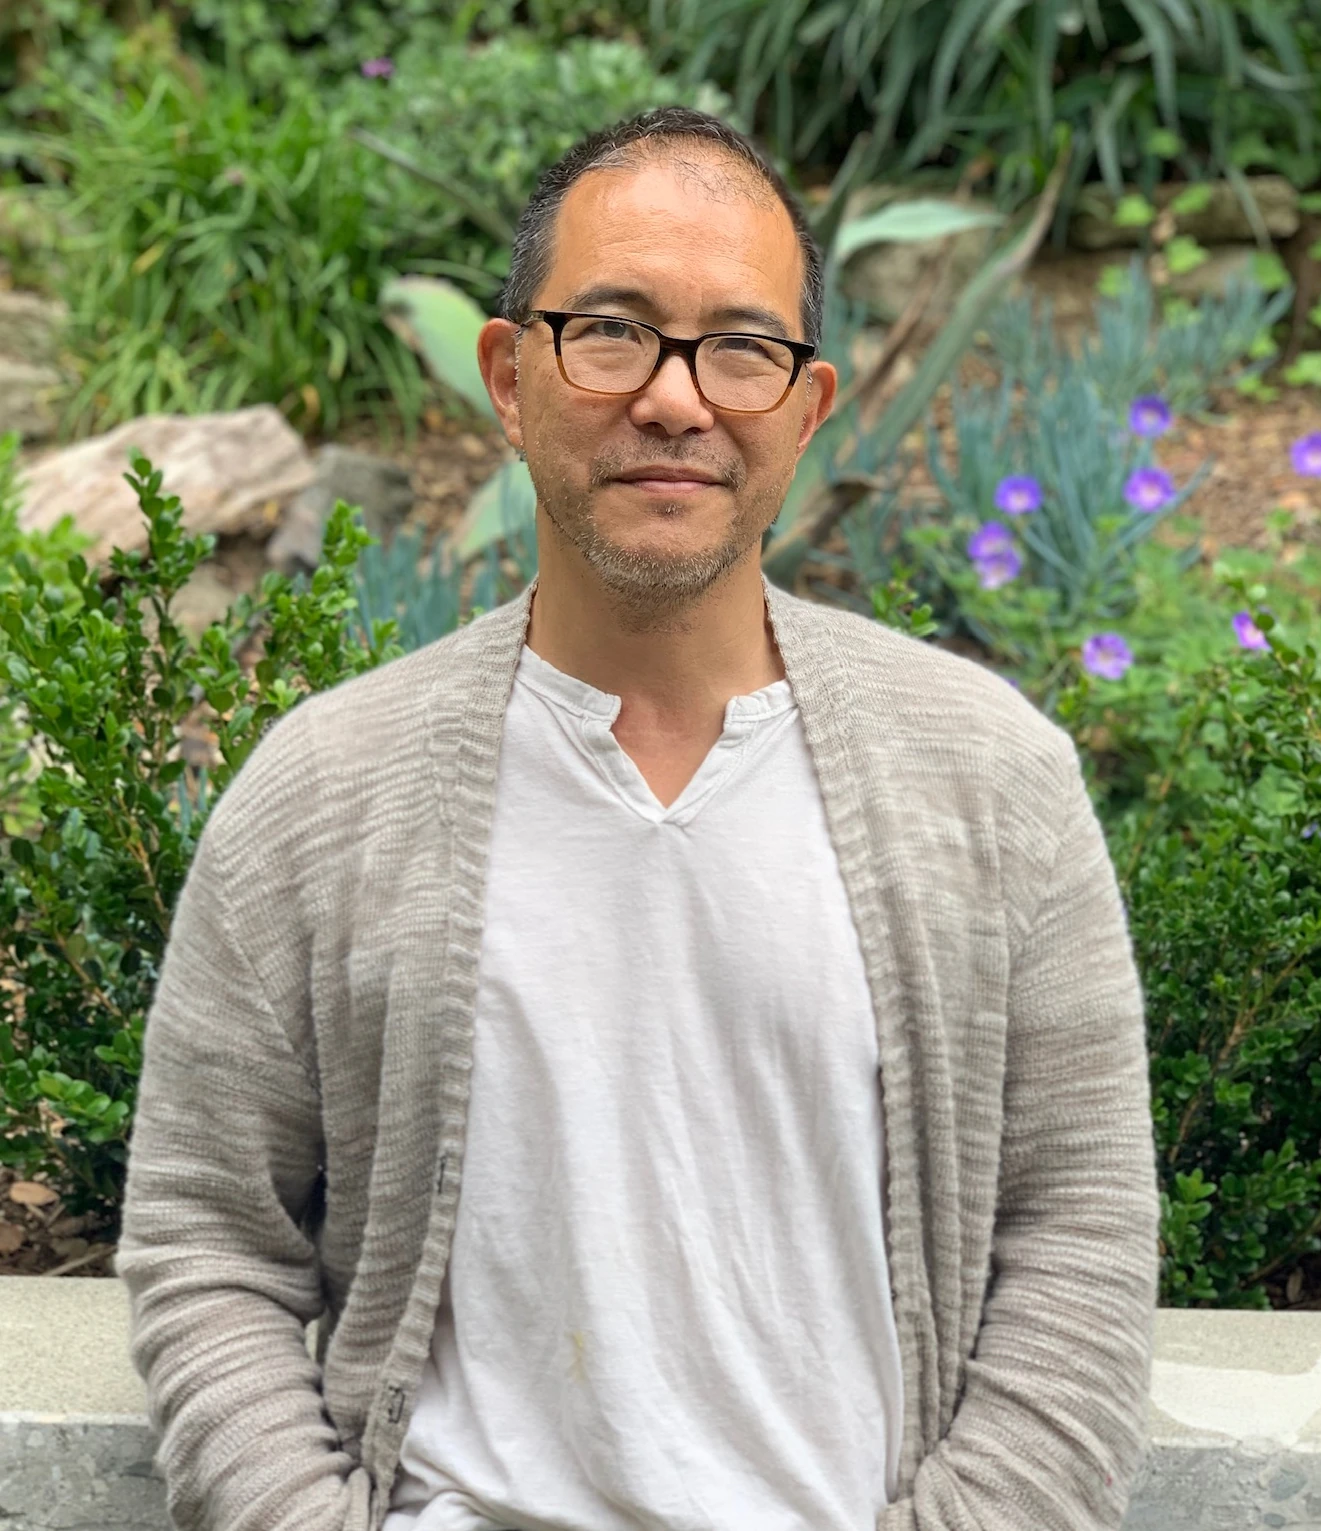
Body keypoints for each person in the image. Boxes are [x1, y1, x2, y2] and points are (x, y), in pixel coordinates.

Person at [117, 106, 1161, 1531]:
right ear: (509, 375)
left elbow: (1080, 1243)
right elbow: (206, 1240)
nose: (676, 399)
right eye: (611, 331)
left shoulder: (992, 783)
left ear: (807, 405)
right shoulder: (325, 792)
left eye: (742, 347)